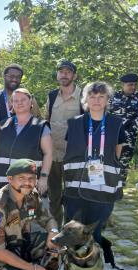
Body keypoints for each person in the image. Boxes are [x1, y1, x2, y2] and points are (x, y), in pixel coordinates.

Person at [63, 82, 125, 268]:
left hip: (102, 191)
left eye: (101, 97)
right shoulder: (74, 124)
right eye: (92, 96)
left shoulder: (116, 124)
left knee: (95, 234)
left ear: (107, 100)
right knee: (72, 233)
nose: (96, 100)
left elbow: (117, 154)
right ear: (86, 100)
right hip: (76, 191)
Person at [45, 59, 84, 224]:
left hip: (74, 157)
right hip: (53, 156)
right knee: (54, 197)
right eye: (61, 71)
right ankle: (55, 231)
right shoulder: (52, 96)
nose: (64, 75)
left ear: (74, 75)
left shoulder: (84, 96)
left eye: (68, 72)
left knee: (74, 195)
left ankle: (73, 230)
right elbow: (46, 123)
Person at [0, 88, 52, 192]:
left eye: (23, 100)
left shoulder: (41, 126)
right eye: (16, 100)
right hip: (3, 184)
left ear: (30, 102)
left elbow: (48, 153)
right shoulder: (2, 125)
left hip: (27, 184)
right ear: (12, 104)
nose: (19, 103)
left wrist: (44, 177)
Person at [110, 73, 138, 185]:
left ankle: (120, 186)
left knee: (124, 161)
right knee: (110, 159)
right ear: (123, 84)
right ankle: (108, 185)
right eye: (130, 84)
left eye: (135, 84)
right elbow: (107, 115)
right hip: (112, 135)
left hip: (129, 136)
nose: (133, 87)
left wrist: (125, 132)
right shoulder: (113, 97)